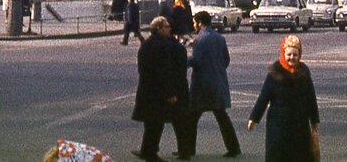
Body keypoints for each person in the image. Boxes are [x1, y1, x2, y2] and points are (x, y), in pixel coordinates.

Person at [248, 34, 321, 161]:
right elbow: (263, 97)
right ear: (283, 54)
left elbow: (311, 98)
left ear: (299, 55)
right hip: (278, 126)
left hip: (300, 125)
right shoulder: (274, 73)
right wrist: (254, 118)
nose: (291, 58)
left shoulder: (304, 74)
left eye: (295, 55)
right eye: (289, 55)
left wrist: (314, 120)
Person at [131, 16, 193, 162]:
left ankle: (148, 151)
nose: (169, 29)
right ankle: (150, 154)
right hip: (157, 92)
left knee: (152, 123)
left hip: (148, 90)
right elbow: (163, 71)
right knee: (157, 123)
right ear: (158, 28)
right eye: (166, 27)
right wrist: (169, 92)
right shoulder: (161, 46)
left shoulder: (147, 44)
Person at [189, 10, 242, 158]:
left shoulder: (199, 40)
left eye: (195, 22)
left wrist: (185, 60)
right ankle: (234, 147)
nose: (194, 25)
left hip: (202, 85)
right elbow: (226, 60)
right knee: (222, 117)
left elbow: (197, 61)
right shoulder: (219, 38)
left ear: (200, 23)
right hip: (218, 82)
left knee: (191, 118)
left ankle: (187, 148)